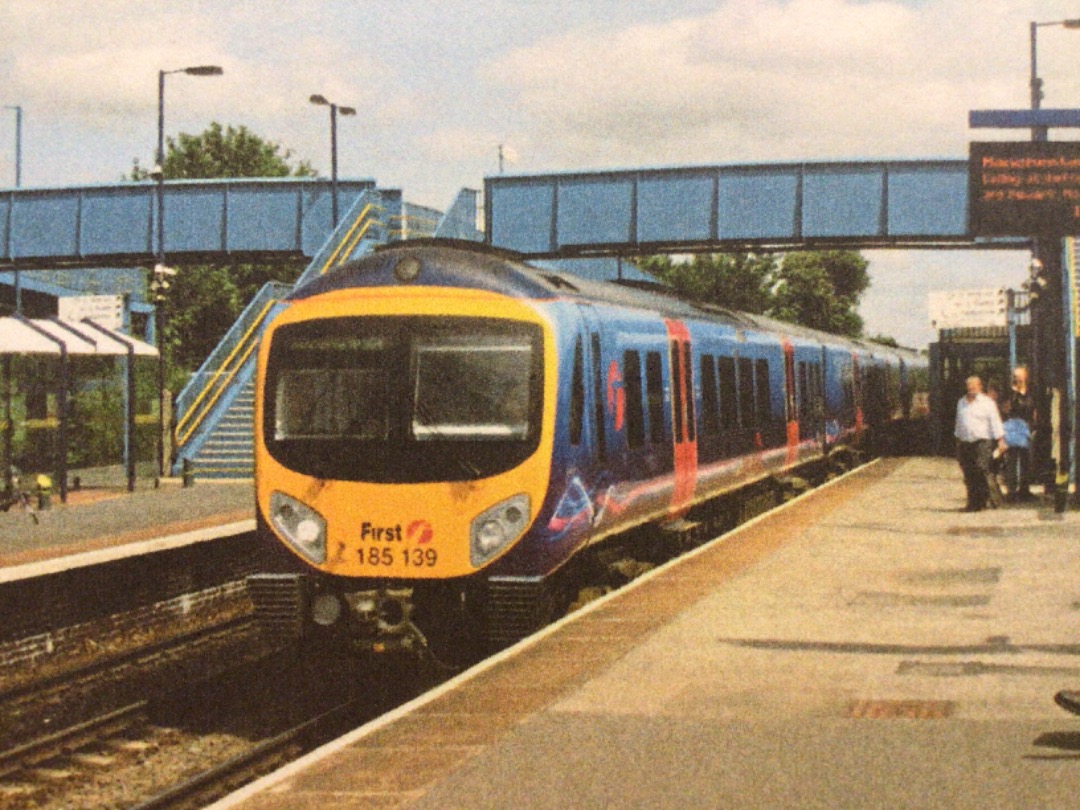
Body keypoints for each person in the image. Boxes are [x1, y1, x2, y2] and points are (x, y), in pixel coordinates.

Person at [954, 375, 1006, 512]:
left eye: (974, 386)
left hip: (982, 442)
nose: (971, 388)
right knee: (969, 474)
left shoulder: (987, 403)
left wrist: (1001, 440)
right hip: (965, 442)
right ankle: (973, 503)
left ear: (980, 387)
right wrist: (958, 440)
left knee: (982, 469)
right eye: (969, 386)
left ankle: (992, 501)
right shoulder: (961, 402)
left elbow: (995, 421)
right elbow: (959, 423)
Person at [1002, 366, 1035, 502]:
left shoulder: (1031, 393)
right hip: (1014, 428)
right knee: (1012, 459)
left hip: (1026, 427)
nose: (1017, 379)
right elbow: (1006, 410)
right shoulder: (1009, 393)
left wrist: (1034, 426)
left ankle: (1024, 489)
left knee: (1026, 460)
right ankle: (1011, 490)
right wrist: (1014, 394)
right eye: (1015, 376)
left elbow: (1033, 409)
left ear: (1025, 376)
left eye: (1019, 376)